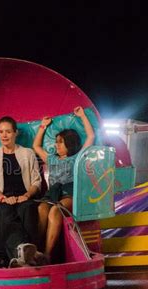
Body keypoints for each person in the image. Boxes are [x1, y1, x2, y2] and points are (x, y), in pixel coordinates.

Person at [32, 106, 95, 261]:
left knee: (56, 210)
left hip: (69, 192)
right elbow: (36, 146)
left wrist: (82, 116)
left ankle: (47, 254)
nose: (57, 145)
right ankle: (36, 249)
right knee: (41, 209)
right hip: (52, 192)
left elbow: (91, 137)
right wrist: (42, 126)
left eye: (61, 142)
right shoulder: (52, 158)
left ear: (70, 143)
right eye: (56, 142)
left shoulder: (77, 157)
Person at [0, 116, 42, 267]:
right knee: (4, 213)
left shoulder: (28, 153)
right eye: (1, 132)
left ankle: (23, 257)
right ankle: (24, 255)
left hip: (25, 196)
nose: (4, 135)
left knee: (28, 209)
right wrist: (2, 198)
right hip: (3, 199)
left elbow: (36, 181)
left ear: (15, 133)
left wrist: (27, 195)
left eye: (8, 131)